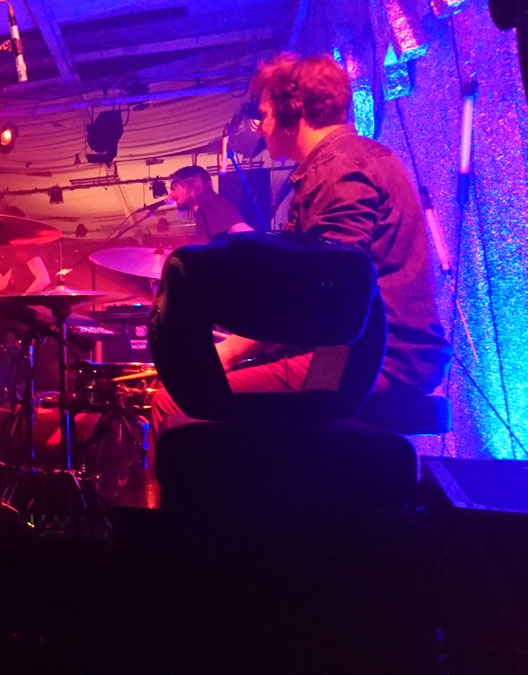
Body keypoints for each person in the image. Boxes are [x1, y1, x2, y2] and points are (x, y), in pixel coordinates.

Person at [151, 53, 451, 431]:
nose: (261, 128)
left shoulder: (338, 170)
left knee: (172, 401)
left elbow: (328, 299)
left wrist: (232, 350)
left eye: (264, 114)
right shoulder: (352, 158)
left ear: (291, 111)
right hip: (373, 354)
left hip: (371, 362)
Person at [167, 165, 253, 244]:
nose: (170, 194)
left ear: (190, 186)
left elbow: (247, 234)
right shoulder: (200, 209)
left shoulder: (211, 203)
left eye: (173, 188)